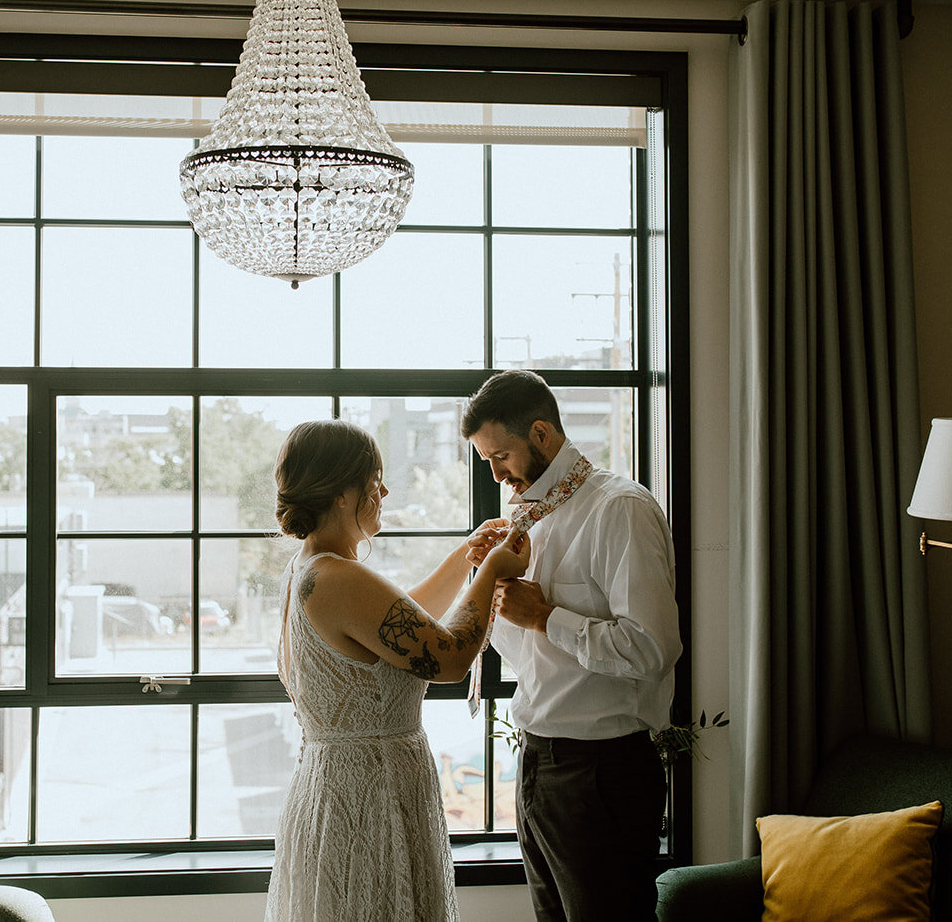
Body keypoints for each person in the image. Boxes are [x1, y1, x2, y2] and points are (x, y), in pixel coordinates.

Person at [264, 419, 530, 922]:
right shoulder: (337, 576)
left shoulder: (310, 568)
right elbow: (447, 657)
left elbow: (400, 625)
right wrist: (492, 570)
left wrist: (464, 558)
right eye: (374, 480)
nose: (384, 491)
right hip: (369, 800)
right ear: (342, 493)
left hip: (339, 787)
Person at [462, 370, 682, 922]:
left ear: (541, 434)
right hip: (538, 763)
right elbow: (528, 659)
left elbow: (653, 650)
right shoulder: (522, 521)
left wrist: (546, 616)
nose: (495, 473)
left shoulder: (620, 510)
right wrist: (486, 583)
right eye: (486, 459)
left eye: (501, 456)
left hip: (601, 773)